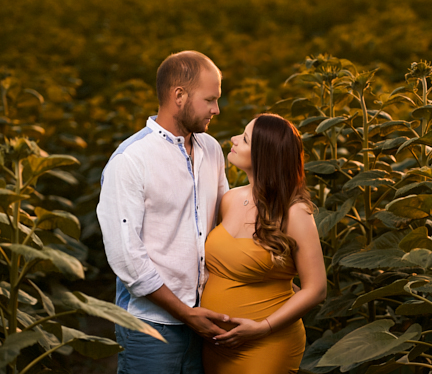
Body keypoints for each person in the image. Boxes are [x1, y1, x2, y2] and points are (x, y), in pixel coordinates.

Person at [96, 50, 230, 374]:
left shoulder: (211, 149)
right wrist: (185, 313)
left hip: (205, 320)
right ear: (179, 95)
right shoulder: (131, 160)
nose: (217, 109)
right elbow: (128, 258)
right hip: (150, 328)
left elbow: (227, 221)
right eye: (209, 100)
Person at [201, 113, 327, 374]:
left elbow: (316, 289)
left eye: (244, 139)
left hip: (267, 342)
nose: (233, 140)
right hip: (216, 346)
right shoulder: (229, 199)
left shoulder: (295, 213)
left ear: (263, 156)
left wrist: (263, 326)